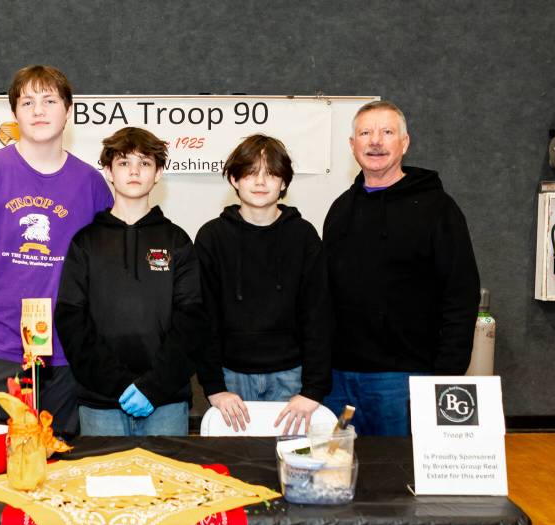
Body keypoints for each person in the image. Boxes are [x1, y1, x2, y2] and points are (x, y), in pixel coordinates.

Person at [0, 65, 112, 435]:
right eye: (27, 102)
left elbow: (105, 268)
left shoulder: (91, 184)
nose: (39, 110)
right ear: (14, 114)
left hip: (65, 352)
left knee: (60, 459)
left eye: (50, 100)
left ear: (69, 111)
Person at [322, 101, 480, 436]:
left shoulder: (439, 209)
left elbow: (460, 295)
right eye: (365, 133)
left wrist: (445, 378)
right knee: (338, 479)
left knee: (400, 479)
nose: (375, 141)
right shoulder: (339, 211)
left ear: (404, 143)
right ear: (352, 145)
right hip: (338, 381)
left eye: (387, 132)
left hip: (406, 380)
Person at [55, 127, 204, 436]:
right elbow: (71, 321)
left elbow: (192, 323)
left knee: (169, 485)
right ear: (108, 171)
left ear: (158, 173)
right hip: (101, 401)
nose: (134, 171)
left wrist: (153, 386)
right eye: (124, 163)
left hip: (166, 401)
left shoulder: (177, 241)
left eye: (145, 163)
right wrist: (119, 386)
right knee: (104, 485)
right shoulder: (85, 242)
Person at [195, 135, 332, 435]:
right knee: (233, 472)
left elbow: (318, 316)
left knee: (291, 470)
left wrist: (313, 389)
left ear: (284, 183)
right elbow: (203, 318)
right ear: (234, 179)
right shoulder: (212, 237)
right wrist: (214, 387)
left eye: (270, 173)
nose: (260, 182)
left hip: (292, 378)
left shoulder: (304, 237)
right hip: (231, 379)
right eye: (250, 173)